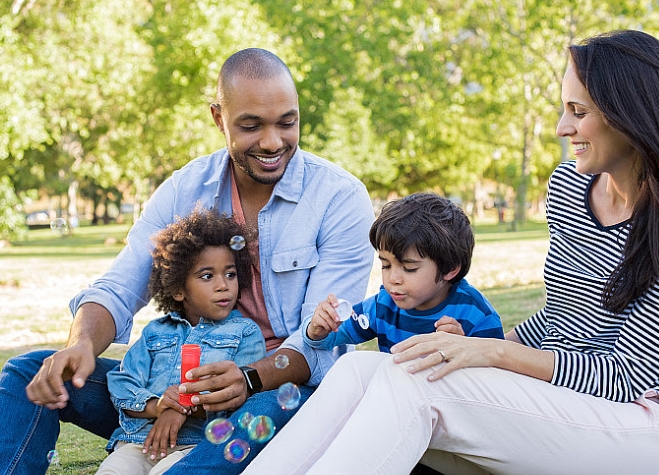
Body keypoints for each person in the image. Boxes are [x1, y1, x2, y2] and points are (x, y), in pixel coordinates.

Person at [241, 30, 659, 475]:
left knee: (418, 383)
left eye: (578, 112)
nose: (562, 127)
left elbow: (628, 376)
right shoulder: (570, 186)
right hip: (559, 398)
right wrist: (469, 345)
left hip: (636, 423)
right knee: (361, 373)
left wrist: (491, 354)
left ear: (627, 116)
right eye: (563, 108)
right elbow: (561, 317)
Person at [0, 48, 375, 475]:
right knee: (29, 372)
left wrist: (248, 378)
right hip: (173, 395)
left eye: (287, 122)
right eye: (250, 126)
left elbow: (321, 340)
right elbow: (120, 286)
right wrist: (81, 344)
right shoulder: (184, 189)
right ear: (219, 118)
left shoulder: (340, 199)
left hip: (279, 394)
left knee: (272, 401)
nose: (272, 142)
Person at [96, 208, 267, 475]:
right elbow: (122, 382)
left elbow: (235, 397)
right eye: (207, 276)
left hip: (197, 446)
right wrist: (159, 406)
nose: (223, 285)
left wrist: (183, 407)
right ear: (178, 289)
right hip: (140, 443)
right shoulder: (155, 333)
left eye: (230, 274)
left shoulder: (244, 332)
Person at [302, 192, 503, 357]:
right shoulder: (383, 305)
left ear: (450, 268)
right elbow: (332, 339)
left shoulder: (476, 314)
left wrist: (464, 348)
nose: (392, 279)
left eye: (409, 268)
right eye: (386, 265)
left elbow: (495, 382)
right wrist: (318, 329)